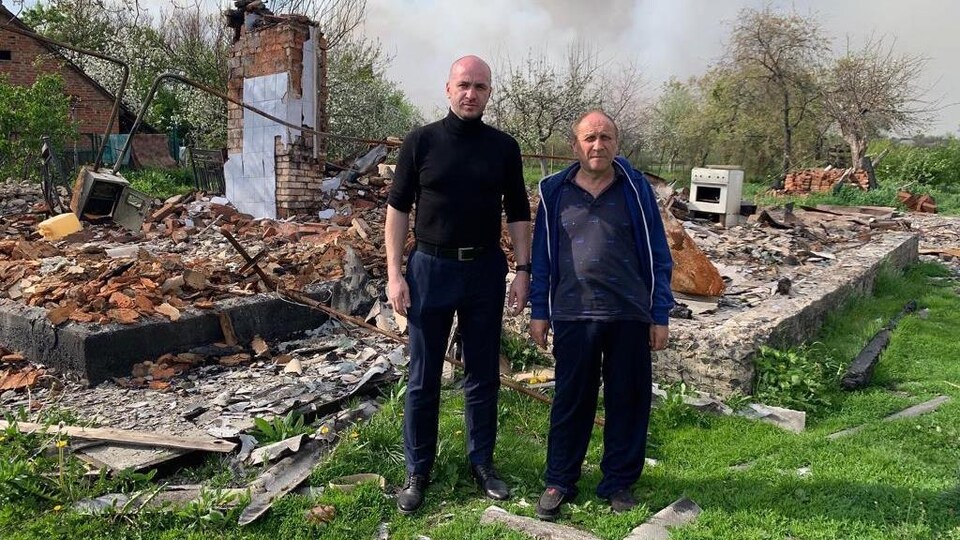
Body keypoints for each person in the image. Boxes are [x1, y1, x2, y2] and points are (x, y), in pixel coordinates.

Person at [384, 55, 532, 515]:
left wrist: (523, 270)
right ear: (448, 88)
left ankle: (482, 464)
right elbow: (397, 209)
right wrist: (394, 274)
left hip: (484, 269)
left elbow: (520, 211)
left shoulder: (504, 147)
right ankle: (417, 471)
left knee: (483, 373)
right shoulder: (421, 141)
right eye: (464, 85)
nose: (471, 93)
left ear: (490, 93)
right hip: (430, 268)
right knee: (423, 377)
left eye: (481, 87)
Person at [528, 110, 674, 521]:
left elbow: (660, 255)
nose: (598, 145)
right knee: (571, 400)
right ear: (574, 146)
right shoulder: (555, 192)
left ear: (617, 143)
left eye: (605, 137)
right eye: (589, 138)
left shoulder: (635, 189)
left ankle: (619, 483)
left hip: (629, 312)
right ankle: (560, 480)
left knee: (628, 401)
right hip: (574, 314)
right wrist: (541, 310)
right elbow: (542, 257)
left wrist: (659, 313)